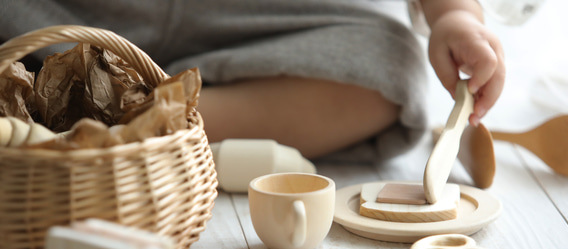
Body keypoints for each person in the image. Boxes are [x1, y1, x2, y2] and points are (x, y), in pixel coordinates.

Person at [0, 0, 504, 160]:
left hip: (251, 14)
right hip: (75, 11)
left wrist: (454, 16)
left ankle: (144, 126)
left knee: (392, 67)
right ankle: (51, 98)